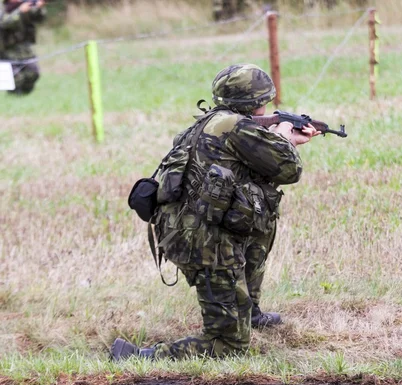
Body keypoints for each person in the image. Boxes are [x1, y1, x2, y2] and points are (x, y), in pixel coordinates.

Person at [111, 64, 320, 361]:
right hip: (206, 244)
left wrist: (277, 137)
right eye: (264, 101)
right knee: (229, 346)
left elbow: (248, 171)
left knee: (261, 214)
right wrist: (284, 136)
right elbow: (289, 168)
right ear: (254, 102)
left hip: (189, 229)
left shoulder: (209, 123)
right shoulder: (237, 127)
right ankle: (137, 355)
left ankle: (249, 311)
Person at [0, 0, 45, 95]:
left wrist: (39, 7)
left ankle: (25, 95)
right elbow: (5, 23)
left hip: (24, 48)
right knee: (16, 78)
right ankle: (14, 95)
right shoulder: (3, 9)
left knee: (33, 73)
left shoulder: (23, 7)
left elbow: (39, 19)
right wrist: (20, 11)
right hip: (7, 49)